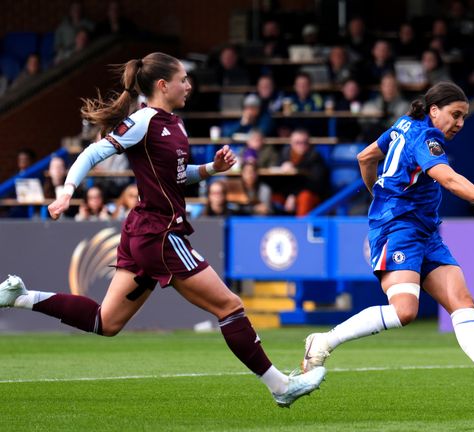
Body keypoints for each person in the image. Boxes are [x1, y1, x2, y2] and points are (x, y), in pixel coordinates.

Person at [0, 52, 324, 407]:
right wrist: (66, 194)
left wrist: (212, 169)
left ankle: (21, 297)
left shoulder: (176, 124)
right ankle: (280, 386)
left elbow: (178, 177)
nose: (188, 85)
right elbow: (91, 154)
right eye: (183, 79)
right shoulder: (144, 120)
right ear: (162, 85)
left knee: (106, 322)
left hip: (145, 232)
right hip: (159, 233)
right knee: (230, 306)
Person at [300, 82, 474, 400]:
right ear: (434, 110)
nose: (460, 123)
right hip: (399, 228)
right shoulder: (426, 138)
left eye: (464, 117)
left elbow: (365, 157)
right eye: (455, 115)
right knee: (404, 311)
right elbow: (448, 178)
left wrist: (379, 195)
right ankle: (323, 342)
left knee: (462, 302)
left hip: (424, 230)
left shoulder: (404, 124)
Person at [278, 128, 330, 216]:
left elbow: (315, 184)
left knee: (305, 197)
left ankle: (302, 224)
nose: (301, 145)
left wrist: (293, 195)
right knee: (273, 197)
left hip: (309, 193)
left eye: (304, 143)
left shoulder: (315, 157)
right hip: (287, 192)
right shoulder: (284, 155)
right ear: (291, 143)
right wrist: (281, 168)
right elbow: (277, 181)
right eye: (297, 143)